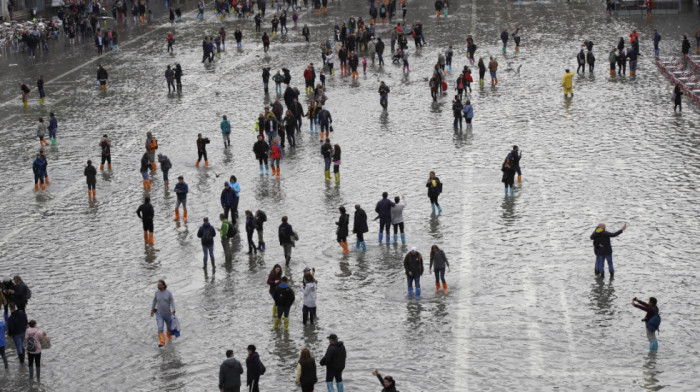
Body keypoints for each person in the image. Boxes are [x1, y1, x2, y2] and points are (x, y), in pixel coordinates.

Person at [150, 279, 176, 347]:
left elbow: (172, 302)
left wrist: (173, 310)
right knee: (160, 328)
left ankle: (169, 339)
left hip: (167, 314)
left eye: (160, 285)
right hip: (159, 314)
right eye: (158, 285)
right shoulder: (156, 293)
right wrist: (152, 310)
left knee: (169, 328)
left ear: (164, 285)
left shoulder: (168, 293)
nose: (158, 286)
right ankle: (162, 343)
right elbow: (154, 301)